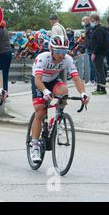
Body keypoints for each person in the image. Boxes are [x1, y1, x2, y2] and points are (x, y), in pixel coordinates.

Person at [29, 35, 89, 163]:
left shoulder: (67, 59)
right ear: (51, 48)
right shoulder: (42, 58)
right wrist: (45, 91)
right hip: (39, 82)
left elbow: (76, 78)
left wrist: (83, 93)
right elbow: (38, 79)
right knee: (40, 111)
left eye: (64, 51)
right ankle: (34, 146)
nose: (61, 55)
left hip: (53, 80)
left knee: (63, 91)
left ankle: (58, 118)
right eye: (58, 51)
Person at [90, 14, 109, 95]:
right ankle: (99, 89)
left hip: (98, 54)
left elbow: (99, 43)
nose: (91, 23)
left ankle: (102, 89)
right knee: (98, 72)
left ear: (97, 21)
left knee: (100, 72)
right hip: (97, 53)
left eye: (92, 21)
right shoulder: (96, 29)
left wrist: (94, 53)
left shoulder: (98, 30)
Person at [82, 16, 96, 86]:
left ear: (87, 20)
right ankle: (93, 80)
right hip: (89, 48)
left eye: (83, 20)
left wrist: (92, 49)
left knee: (92, 65)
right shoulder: (87, 27)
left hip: (91, 49)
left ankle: (92, 80)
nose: (82, 22)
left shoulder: (89, 28)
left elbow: (91, 40)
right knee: (92, 65)